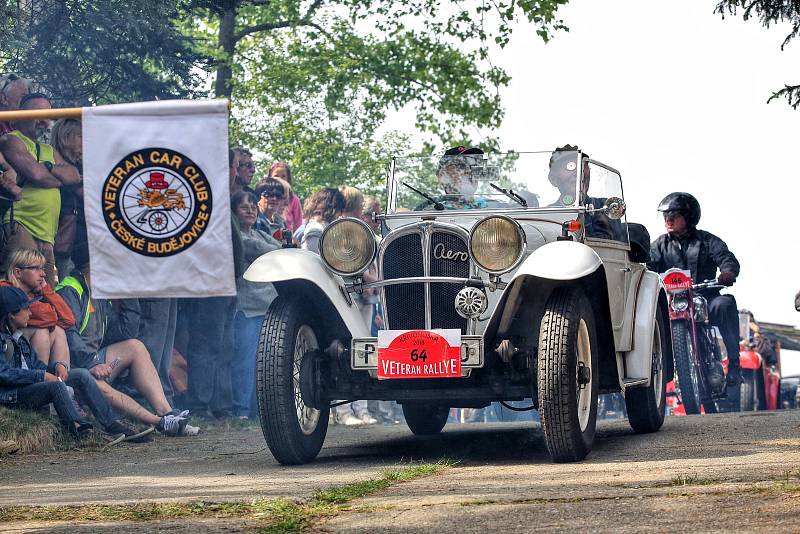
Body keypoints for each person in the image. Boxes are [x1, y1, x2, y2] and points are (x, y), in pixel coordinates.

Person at [56, 240, 198, 436]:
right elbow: (68, 334)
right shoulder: (71, 289)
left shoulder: (99, 291)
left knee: (135, 346)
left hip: (95, 362)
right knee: (95, 383)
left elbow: (125, 332)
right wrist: (91, 363)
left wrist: (127, 291)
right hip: (72, 368)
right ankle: (160, 422)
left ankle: (168, 412)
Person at [0, 286, 152, 442]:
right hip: (12, 395)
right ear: (11, 314)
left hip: (28, 386)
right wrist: (41, 376)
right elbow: (3, 374)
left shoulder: (19, 338)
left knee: (82, 374)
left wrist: (57, 366)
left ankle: (112, 423)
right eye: (26, 309)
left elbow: (36, 366)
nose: (30, 313)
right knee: (56, 386)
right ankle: (81, 431)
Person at [648, 192, 743, 393]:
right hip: (673, 301)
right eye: (665, 216)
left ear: (688, 217)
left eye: (674, 215)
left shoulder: (707, 240)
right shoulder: (659, 245)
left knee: (725, 304)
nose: (668, 220)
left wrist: (728, 271)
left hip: (705, 298)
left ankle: (734, 364)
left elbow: (726, 257)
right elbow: (647, 265)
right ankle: (655, 378)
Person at [0, 93, 81, 286]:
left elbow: (74, 175)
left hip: (47, 234)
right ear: (20, 116)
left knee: (46, 295)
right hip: (21, 226)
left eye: (47, 115)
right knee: (23, 290)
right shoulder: (11, 140)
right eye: (38, 113)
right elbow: (38, 176)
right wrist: (56, 175)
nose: (44, 120)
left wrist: (48, 167)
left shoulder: (49, 150)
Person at [230, 190, 280, 418]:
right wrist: (281, 249)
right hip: (248, 307)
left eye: (252, 206)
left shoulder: (261, 234)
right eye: (243, 207)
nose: (250, 210)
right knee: (245, 362)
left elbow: (279, 248)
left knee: (264, 364)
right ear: (234, 212)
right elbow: (268, 250)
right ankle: (241, 409)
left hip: (268, 307)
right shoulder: (239, 237)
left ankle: (257, 411)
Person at [1, 248, 74, 368]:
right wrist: (50, 311)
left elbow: (68, 320)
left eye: (42, 269)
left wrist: (45, 288)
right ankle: (39, 381)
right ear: (18, 272)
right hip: (7, 351)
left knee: (58, 330)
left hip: (20, 345)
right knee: (41, 330)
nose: (43, 274)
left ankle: (60, 374)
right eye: (36, 268)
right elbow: (46, 316)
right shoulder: (5, 289)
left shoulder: (32, 293)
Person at [49, 118, 84, 279]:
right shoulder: (49, 159)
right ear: (65, 137)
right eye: (81, 136)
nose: (85, 142)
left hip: (80, 241)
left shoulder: (81, 164)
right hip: (63, 240)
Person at [426, 146, 488, 210]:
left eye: (473, 166)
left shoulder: (495, 207)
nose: (469, 171)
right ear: (442, 176)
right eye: (461, 166)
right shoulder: (427, 213)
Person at [300, 188, 345, 254]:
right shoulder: (316, 229)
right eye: (340, 210)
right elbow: (314, 256)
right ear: (333, 209)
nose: (341, 215)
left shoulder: (324, 228)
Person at [269, 161, 302, 232]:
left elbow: (298, 223)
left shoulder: (294, 199)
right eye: (276, 176)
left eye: (283, 176)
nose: (280, 179)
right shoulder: (266, 197)